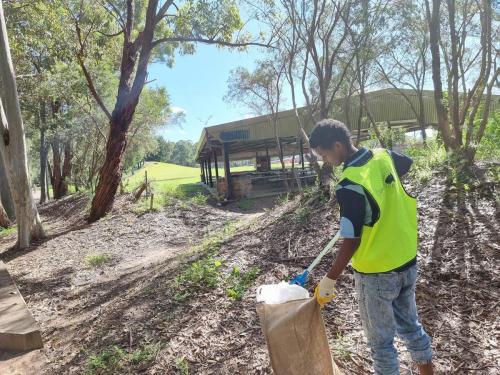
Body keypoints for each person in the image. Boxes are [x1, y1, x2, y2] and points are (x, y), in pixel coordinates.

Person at [309, 119, 433, 375]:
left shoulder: (349, 183)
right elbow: (406, 164)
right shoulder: (383, 155)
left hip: (376, 273)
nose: (326, 161)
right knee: (411, 327)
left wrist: (330, 280)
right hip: (406, 260)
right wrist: (386, 196)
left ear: (337, 145)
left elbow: (352, 240)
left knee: (381, 344)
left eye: (325, 154)